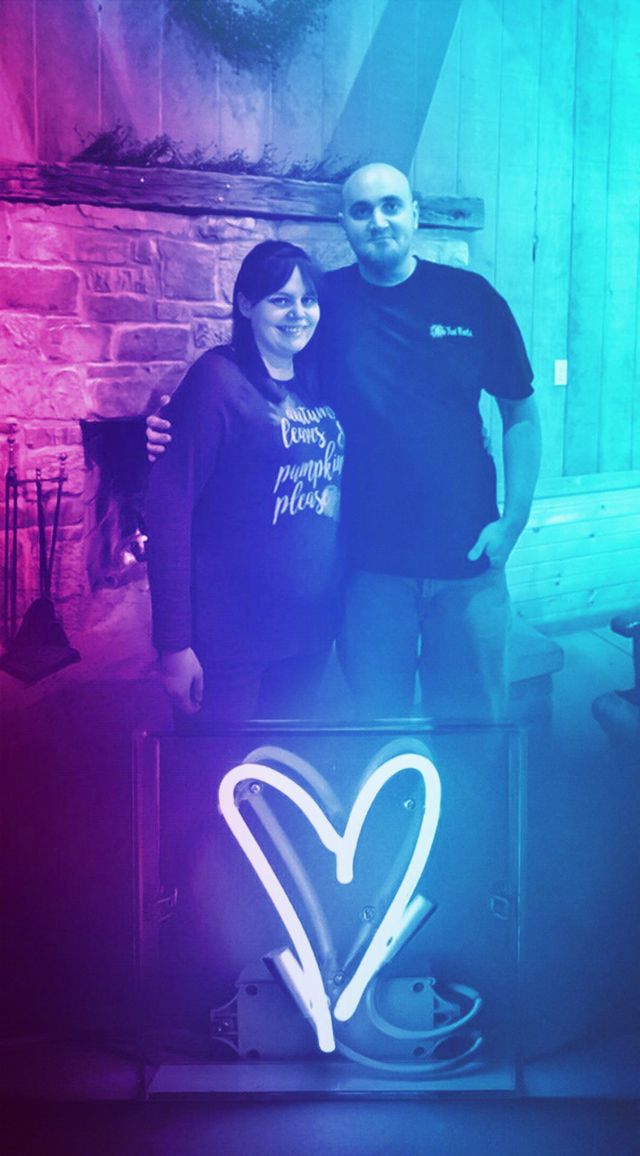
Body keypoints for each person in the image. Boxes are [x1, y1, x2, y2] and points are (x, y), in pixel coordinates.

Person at [148, 163, 541, 722]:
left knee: (475, 729)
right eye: (361, 210)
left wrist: (515, 520)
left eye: (391, 205)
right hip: (367, 573)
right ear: (344, 222)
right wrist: (163, 421)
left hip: (468, 562)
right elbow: (248, 368)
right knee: (376, 730)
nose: (378, 221)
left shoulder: (472, 298)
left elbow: (519, 410)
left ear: (415, 214)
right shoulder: (323, 301)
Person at [145, 240, 345, 727]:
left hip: (308, 630)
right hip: (230, 638)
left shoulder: (321, 379)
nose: (298, 313)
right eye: (280, 299)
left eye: (308, 300)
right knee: (218, 766)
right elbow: (168, 510)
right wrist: (173, 644)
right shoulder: (216, 379)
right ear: (246, 304)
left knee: (283, 762)